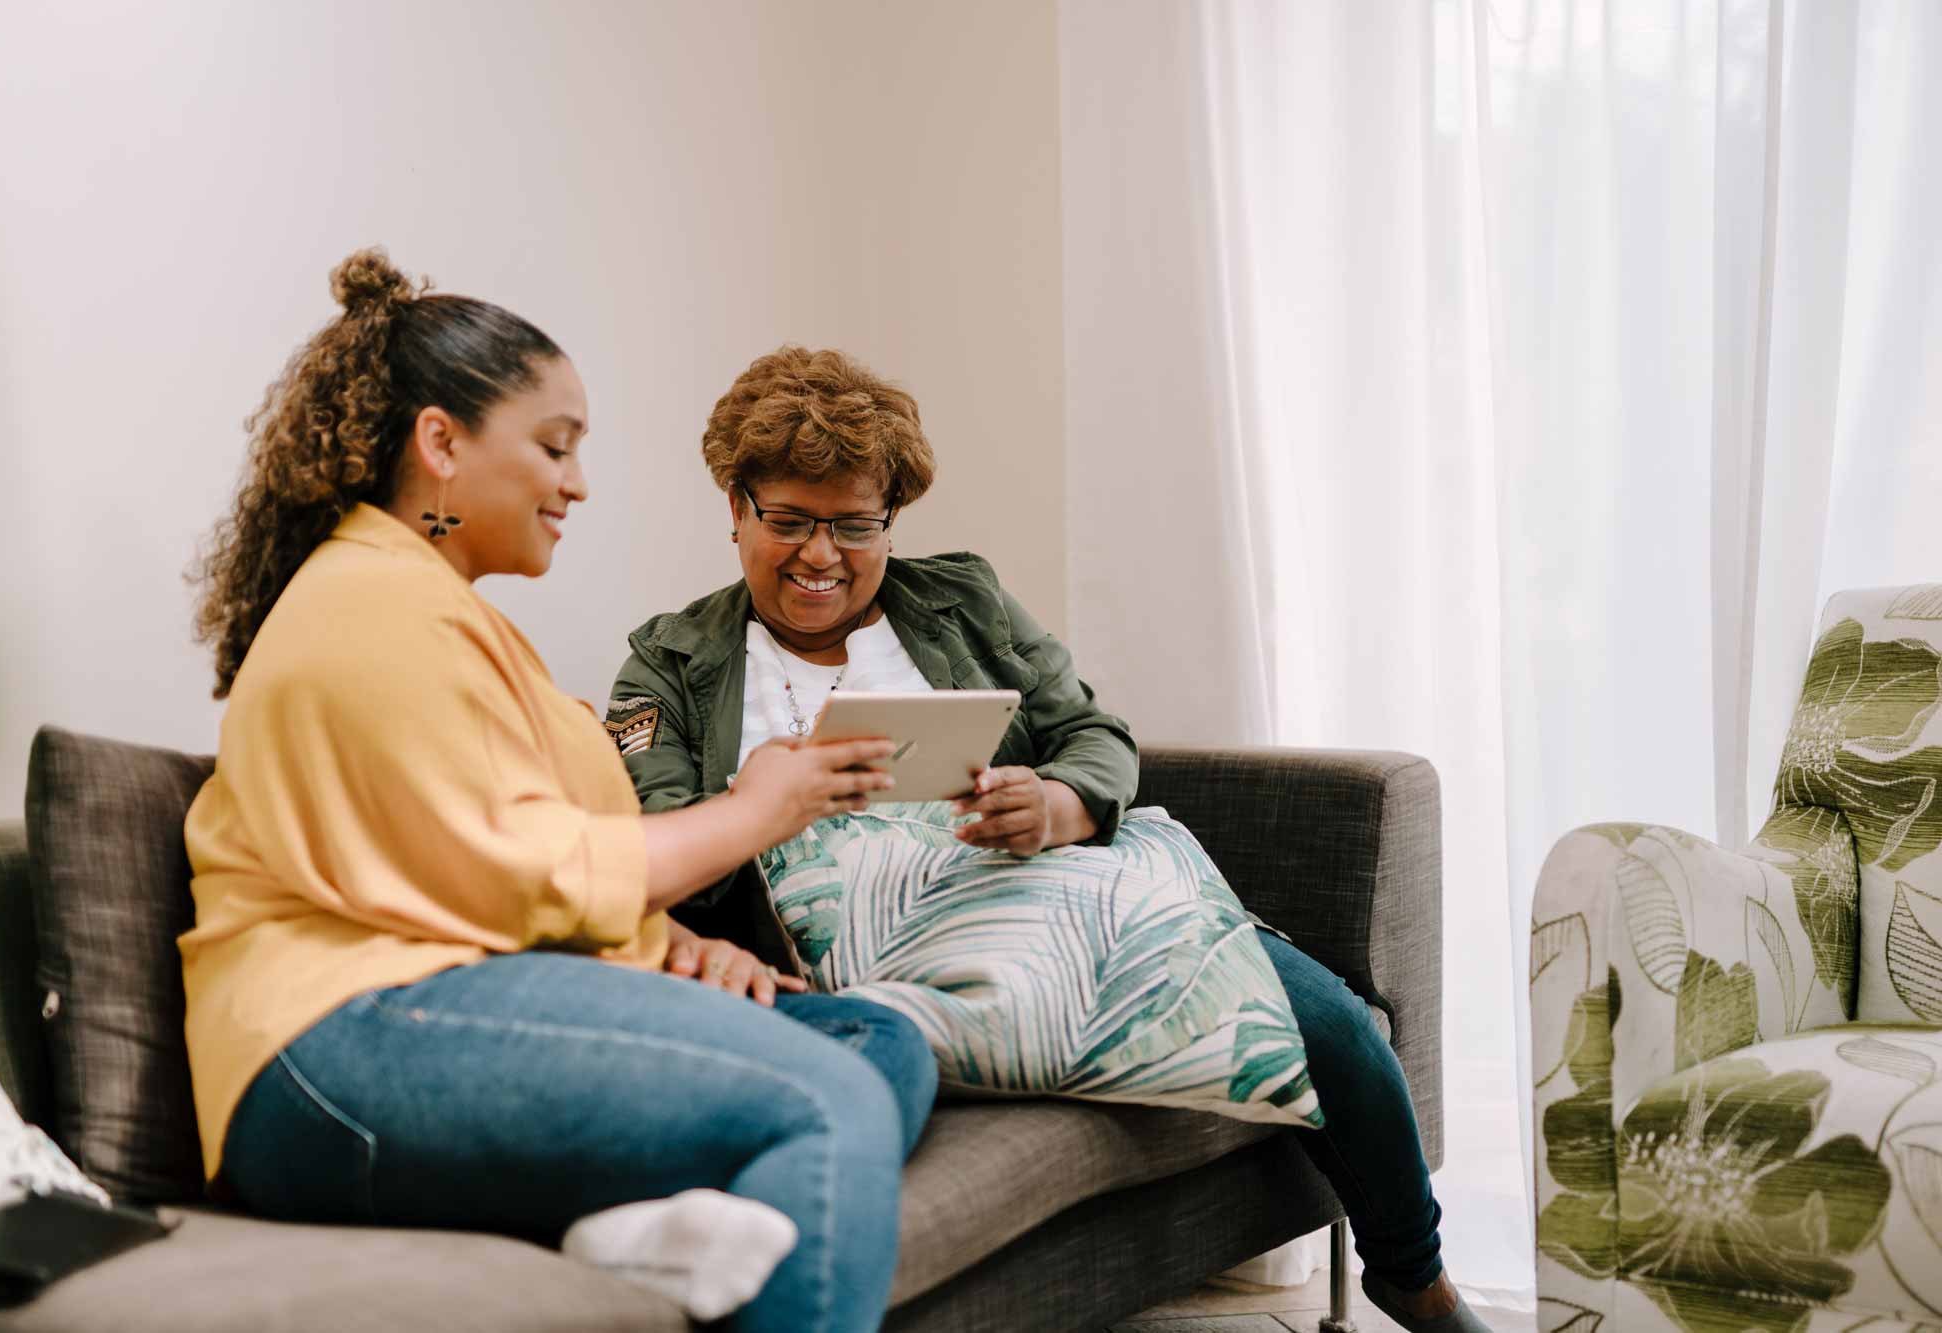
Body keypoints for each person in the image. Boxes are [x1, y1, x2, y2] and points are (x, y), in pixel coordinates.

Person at [611, 345, 1491, 1333]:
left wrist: (1060, 804)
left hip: (1058, 892)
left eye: (853, 526)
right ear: (736, 510)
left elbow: (1092, 734)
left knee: (1327, 1023)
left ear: (888, 520)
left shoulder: (959, 601)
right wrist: (768, 807)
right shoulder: (672, 663)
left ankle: (1415, 1279)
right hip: (871, 953)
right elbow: (658, 840)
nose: (820, 556)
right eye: (789, 522)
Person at [180, 256, 936, 1333]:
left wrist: (664, 944)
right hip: (339, 1038)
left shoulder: (450, 618)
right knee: (831, 1095)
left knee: (874, 1041)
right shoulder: (367, 606)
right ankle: (659, 1218)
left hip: (449, 994)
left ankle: (645, 1229)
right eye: (552, 445)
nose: (575, 483)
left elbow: (501, 858)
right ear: (440, 443)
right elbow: (513, 877)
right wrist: (761, 807)